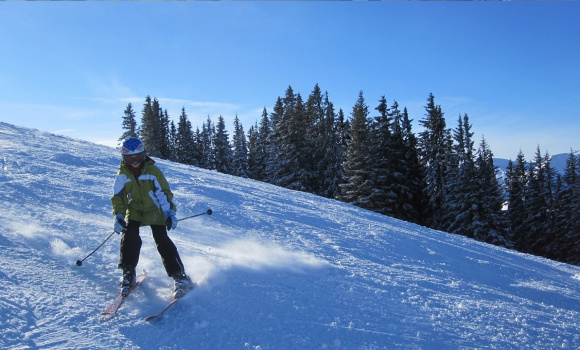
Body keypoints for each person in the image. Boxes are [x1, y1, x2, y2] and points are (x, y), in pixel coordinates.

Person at [111, 137, 194, 298]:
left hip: (154, 210)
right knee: (129, 237)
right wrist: (119, 215)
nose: (134, 162)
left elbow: (163, 193)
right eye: (130, 158)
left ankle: (180, 276)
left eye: (138, 157)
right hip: (134, 210)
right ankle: (128, 272)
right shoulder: (122, 174)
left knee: (161, 239)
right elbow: (118, 197)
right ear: (124, 158)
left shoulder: (152, 171)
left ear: (144, 155)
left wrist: (169, 212)